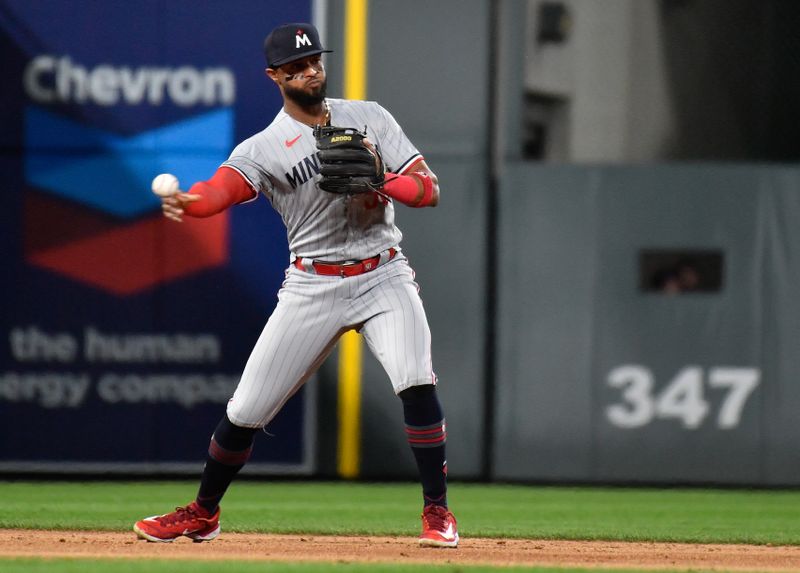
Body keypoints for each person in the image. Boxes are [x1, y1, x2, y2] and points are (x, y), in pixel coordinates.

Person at [133, 23, 458, 549]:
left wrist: (382, 179)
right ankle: (203, 512)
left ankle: (438, 512)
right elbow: (223, 189)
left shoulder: (370, 118)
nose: (310, 72)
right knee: (246, 410)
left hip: (383, 272)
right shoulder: (264, 146)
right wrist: (193, 203)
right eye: (296, 68)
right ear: (275, 77)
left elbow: (428, 191)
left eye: (315, 62)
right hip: (313, 285)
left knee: (415, 379)